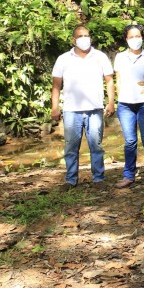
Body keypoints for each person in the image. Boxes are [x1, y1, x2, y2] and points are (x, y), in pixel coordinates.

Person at [51, 24, 115, 190]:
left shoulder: (100, 57)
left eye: (86, 35)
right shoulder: (63, 59)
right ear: (74, 40)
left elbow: (109, 80)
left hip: (95, 108)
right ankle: (70, 180)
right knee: (71, 147)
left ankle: (98, 179)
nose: (84, 39)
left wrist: (111, 102)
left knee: (96, 146)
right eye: (80, 36)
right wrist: (55, 107)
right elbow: (56, 85)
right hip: (71, 110)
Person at [114, 24, 144, 191]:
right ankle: (129, 175)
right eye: (131, 37)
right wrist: (118, 100)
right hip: (125, 105)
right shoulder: (120, 57)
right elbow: (118, 80)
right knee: (130, 142)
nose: (135, 39)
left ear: (143, 37)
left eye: (138, 36)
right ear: (126, 39)